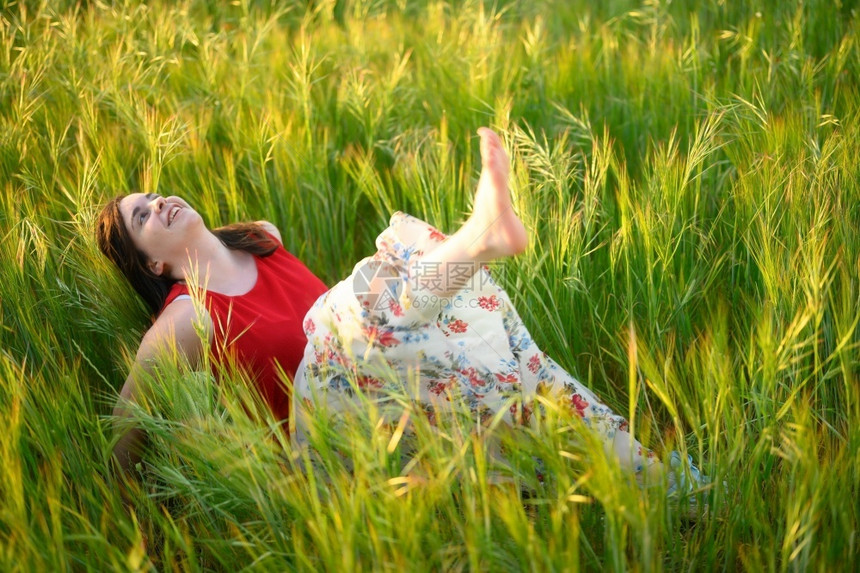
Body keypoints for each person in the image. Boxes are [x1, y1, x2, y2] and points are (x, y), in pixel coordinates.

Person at [97, 128, 708, 497]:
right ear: (151, 265)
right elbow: (127, 429)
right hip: (328, 449)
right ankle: (481, 237)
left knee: (517, 378)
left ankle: (660, 482)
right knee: (345, 308)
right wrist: (141, 527)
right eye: (142, 217)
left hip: (381, 391)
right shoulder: (185, 319)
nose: (159, 204)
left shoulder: (261, 237)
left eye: (154, 197)